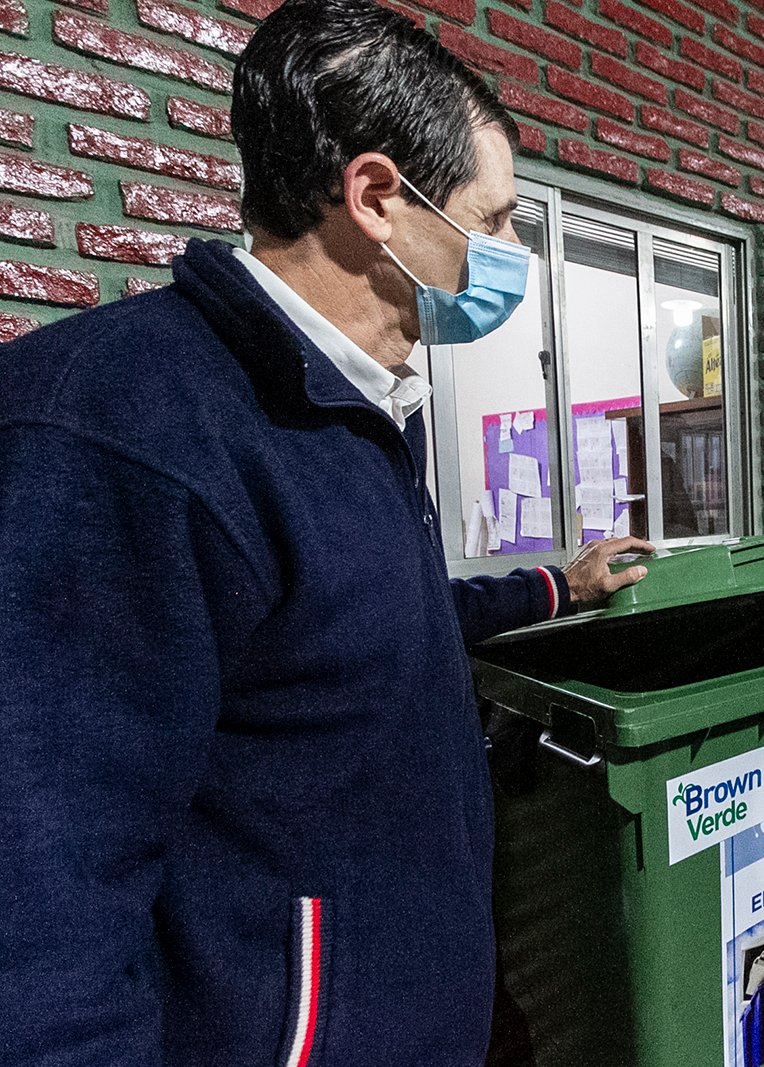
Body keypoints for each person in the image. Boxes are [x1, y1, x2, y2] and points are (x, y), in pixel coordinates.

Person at [0, 2, 650, 1063]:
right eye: (493, 220)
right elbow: (41, 896)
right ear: (379, 198)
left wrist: (551, 590)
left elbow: (359, 627)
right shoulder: (117, 427)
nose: (513, 253)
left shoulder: (353, 407)